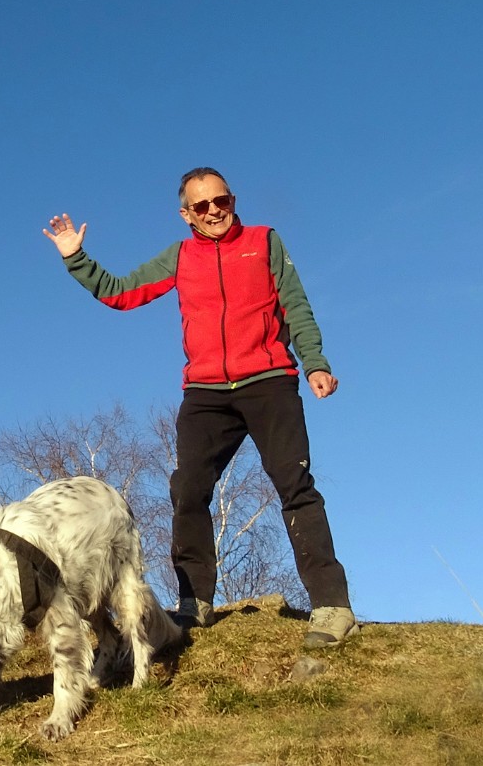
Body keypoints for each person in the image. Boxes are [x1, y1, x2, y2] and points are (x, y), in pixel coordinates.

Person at [42, 168, 357, 649]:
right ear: (186, 214)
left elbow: (296, 305)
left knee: (295, 486)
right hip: (207, 392)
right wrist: (75, 258)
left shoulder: (264, 241)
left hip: (269, 380)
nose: (215, 212)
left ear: (233, 200)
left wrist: (314, 363)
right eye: (203, 206)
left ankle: (333, 606)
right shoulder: (180, 256)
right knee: (188, 489)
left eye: (222, 201)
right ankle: (195, 605)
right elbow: (122, 292)